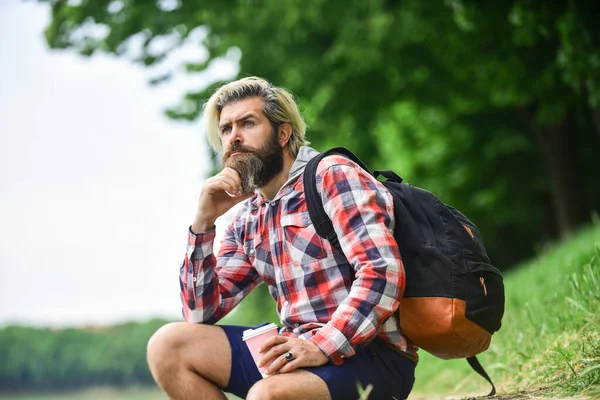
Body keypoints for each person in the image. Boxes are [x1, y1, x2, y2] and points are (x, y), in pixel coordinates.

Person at [146, 77, 418, 400]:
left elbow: (382, 273)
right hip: (297, 351)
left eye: (248, 123)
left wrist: (320, 345)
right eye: (226, 129)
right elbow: (199, 315)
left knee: (267, 396)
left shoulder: (331, 175)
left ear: (283, 133)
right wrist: (203, 224)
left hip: (373, 356)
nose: (234, 137)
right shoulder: (248, 216)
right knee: (168, 347)